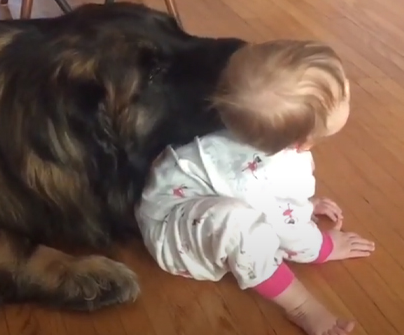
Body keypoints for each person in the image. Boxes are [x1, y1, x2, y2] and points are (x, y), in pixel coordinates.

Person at [136, 40, 375, 335]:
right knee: (245, 230)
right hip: (171, 237)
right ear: (302, 143)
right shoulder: (277, 172)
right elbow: (292, 233)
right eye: (344, 93)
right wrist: (323, 247)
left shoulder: (249, 132)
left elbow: (249, 187)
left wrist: (301, 205)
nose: (349, 87)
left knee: (260, 208)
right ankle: (300, 306)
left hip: (166, 198)